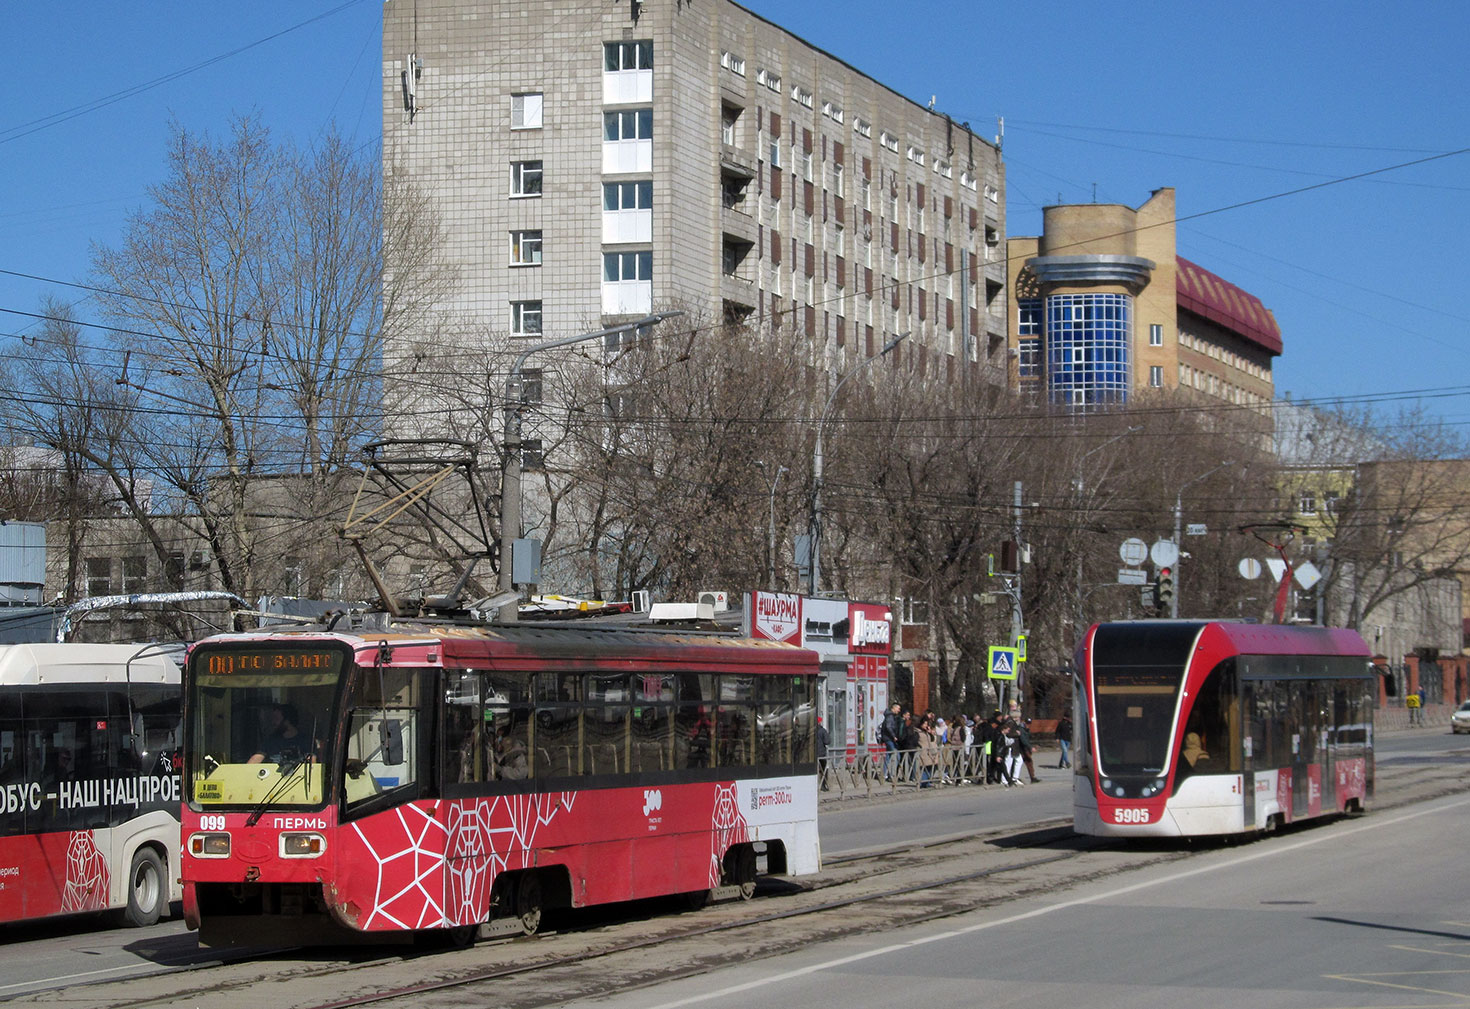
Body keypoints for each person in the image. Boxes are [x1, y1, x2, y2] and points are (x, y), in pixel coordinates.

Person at [878, 702, 902, 780]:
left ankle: (885, 773)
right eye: (898, 708)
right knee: (896, 755)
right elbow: (888, 727)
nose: (899, 710)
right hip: (889, 738)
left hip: (888, 738)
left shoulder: (891, 716)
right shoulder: (890, 716)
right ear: (893, 708)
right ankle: (892, 774)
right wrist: (893, 736)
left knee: (888, 756)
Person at [916, 714, 940, 787]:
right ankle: (923, 782)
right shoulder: (918, 732)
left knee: (932, 767)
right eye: (924, 724)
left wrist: (931, 734)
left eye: (927, 724)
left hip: (930, 752)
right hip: (923, 752)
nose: (926, 725)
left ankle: (927, 781)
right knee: (924, 768)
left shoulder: (927, 732)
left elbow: (933, 740)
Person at [1017, 718, 1041, 784]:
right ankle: (1015, 777)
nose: (1028, 725)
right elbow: (1023, 740)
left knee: (1029, 762)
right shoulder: (1021, 729)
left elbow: (1027, 739)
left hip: (1026, 749)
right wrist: (1030, 747)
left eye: (1029, 724)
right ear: (1024, 722)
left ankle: (1032, 777)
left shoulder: (1026, 729)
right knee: (1020, 763)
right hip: (1022, 749)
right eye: (1027, 723)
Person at [816, 718, 830, 790]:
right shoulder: (823, 731)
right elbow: (827, 741)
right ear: (820, 722)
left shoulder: (811, 730)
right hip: (821, 753)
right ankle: (823, 786)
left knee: (815, 770)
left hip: (813, 754)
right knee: (823, 770)